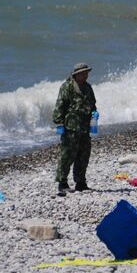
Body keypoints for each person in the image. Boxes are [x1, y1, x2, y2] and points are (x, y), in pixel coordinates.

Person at [52, 63, 97, 196]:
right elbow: (59, 106)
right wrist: (59, 123)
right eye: (83, 73)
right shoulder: (67, 87)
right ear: (76, 74)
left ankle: (81, 183)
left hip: (84, 127)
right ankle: (62, 183)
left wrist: (94, 114)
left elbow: (93, 104)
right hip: (70, 128)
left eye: (87, 72)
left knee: (83, 155)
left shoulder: (88, 88)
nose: (86, 75)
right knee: (66, 155)